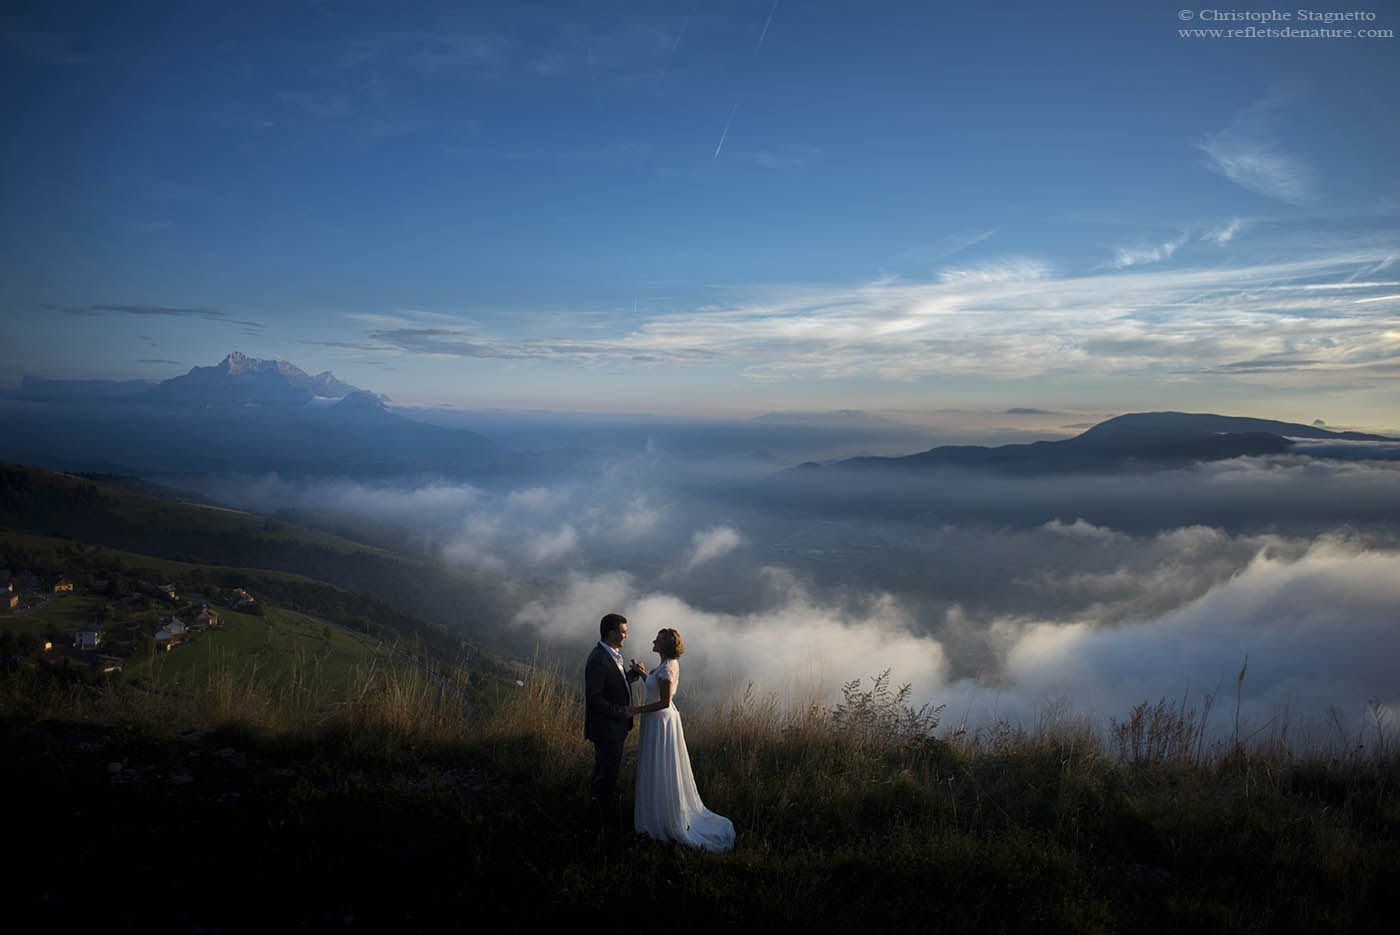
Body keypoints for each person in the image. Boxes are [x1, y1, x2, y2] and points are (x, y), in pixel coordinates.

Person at [627, 628, 735, 852]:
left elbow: (664, 702)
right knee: (660, 766)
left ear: (666, 645)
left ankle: (663, 818)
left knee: (660, 767)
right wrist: (643, 673)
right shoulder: (666, 665)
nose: (654, 640)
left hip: (660, 722)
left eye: (658, 639)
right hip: (659, 722)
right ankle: (660, 811)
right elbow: (657, 689)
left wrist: (635, 710)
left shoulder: (667, 668)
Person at [583, 613, 645, 820]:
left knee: (605, 772)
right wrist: (622, 711)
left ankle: (597, 813)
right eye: (623, 632)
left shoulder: (611, 654)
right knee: (606, 777)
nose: (626, 636)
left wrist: (633, 674)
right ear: (612, 633)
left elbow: (614, 685)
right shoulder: (599, 660)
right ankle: (596, 822)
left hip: (614, 728)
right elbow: (595, 699)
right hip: (606, 729)